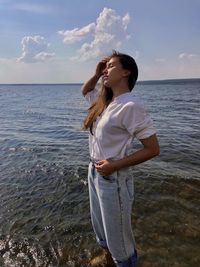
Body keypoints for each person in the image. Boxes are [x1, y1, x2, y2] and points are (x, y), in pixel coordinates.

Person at [81, 51, 160, 267]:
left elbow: (152, 149)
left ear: (126, 72)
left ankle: (124, 262)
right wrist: (97, 74)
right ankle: (108, 259)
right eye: (105, 67)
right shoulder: (105, 102)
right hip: (95, 171)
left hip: (113, 176)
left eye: (111, 66)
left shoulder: (131, 106)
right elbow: (85, 90)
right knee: (101, 226)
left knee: (119, 237)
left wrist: (114, 165)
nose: (106, 69)